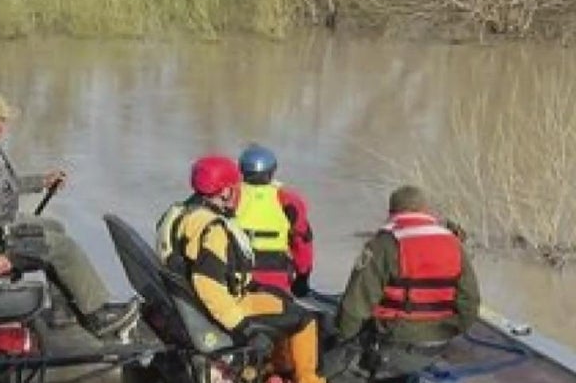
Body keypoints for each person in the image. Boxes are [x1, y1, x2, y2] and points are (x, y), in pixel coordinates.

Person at [0, 88, 140, 338]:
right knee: (62, 247)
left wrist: (40, 182)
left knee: (54, 226)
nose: (3, 126)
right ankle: (97, 317)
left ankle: (64, 311)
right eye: (0, 121)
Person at [156, 155, 326, 383]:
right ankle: (305, 378)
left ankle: (272, 371)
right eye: (234, 187)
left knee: (278, 299)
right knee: (304, 319)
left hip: (194, 304)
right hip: (224, 308)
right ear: (224, 192)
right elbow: (209, 286)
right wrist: (244, 328)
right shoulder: (212, 229)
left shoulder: (182, 214)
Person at [327, 185, 481, 382]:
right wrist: (452, 330)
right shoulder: (453, 242)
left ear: (392, 212)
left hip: (394, 342)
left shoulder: (383, 244)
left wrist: (341, 340)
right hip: (439, 342)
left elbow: (355, 306)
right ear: (426, 210)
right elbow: (470, 301)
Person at [235, 144, 315, 296]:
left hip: (236, 276)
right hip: (276, 279)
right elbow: (303, 240)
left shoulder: (230, 197)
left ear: (242, 170)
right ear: (272, 171)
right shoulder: (287, 200)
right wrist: (303, 277)